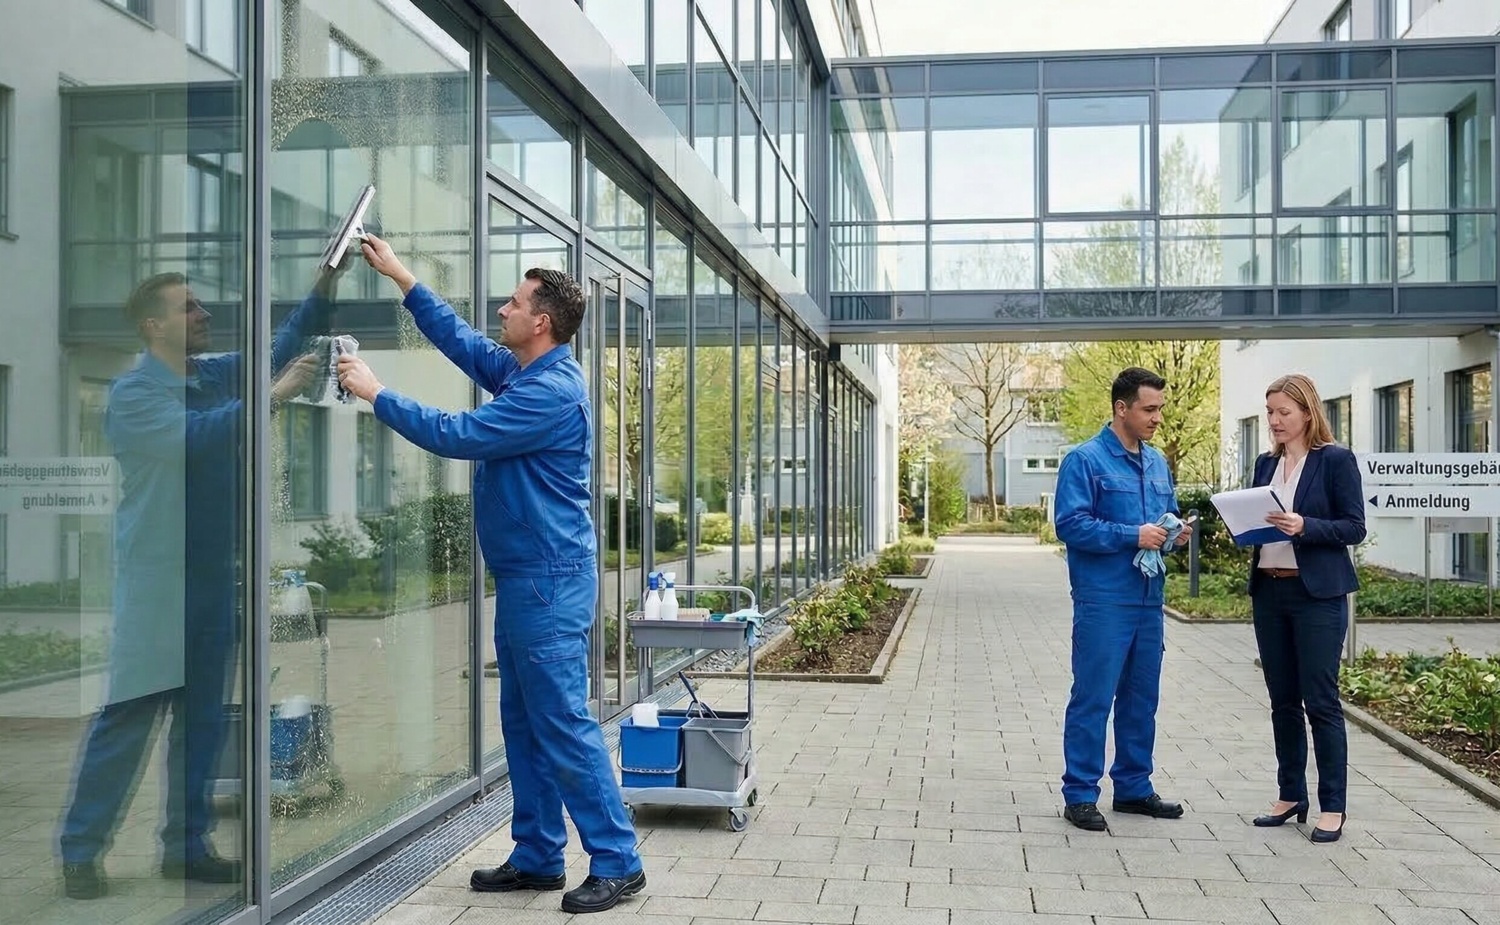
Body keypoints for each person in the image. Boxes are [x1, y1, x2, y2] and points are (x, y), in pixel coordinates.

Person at [336, 234, 644, 915]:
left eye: (514, 302)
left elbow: (461, 435)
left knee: (562, 723)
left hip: (548, 580)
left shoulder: (550, 392)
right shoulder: (526, 372)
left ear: (542, 321)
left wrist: (376, 392)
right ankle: (538, 854)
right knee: (526, 724)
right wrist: (402, 277)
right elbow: (464, 344)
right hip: (527, 578)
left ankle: (619, 862)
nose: (502, 310)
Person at [59, 268, 332, 900]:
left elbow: (279, 348)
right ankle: (81, 851)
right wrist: (271, 398)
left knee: (202, 720)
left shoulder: (212, 376)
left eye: (200, 305)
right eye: (188, 308)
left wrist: (325, 283)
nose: (203, 314)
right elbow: (196, 438)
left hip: (212, 578)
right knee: (130, 715)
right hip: (156, 582)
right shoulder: (133, 396)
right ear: (154, 326)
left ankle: (186, 847)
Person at [1053, 367, 1192, 833]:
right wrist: (1133, 535)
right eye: (1149, 409)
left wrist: (1174, 536)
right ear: (1121, 408)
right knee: (1093, 697)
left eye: (1160, 409)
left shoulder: (1157, 464)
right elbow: (1070, 524)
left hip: (1149, 599)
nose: (1157, 418)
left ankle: (1133, 787)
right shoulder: (1085, 460)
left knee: (1140, 698)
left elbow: (1163, 522)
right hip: (1104, 600)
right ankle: (1080, 795)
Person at [1247, 374, 1364, 844]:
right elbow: (1256, 521)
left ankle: (1333, 805)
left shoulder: (1334, 460)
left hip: (1317, 596)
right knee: (1282, 701)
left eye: (1284, 412)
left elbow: (1353, 526)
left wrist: (1304, 526)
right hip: (1269, 592)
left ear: (1308, 413)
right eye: (1270, 412)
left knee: (1320, 702)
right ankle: (1290, 794)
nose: (1274, 421)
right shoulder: (1265, 463)